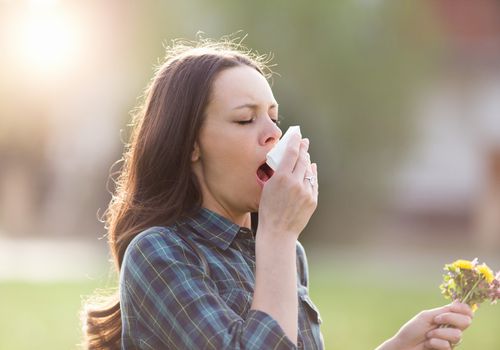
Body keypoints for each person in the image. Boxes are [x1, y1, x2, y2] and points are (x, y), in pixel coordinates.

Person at [83, 38, 473, 350]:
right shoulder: (159, 253)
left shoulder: (284, 253)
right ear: (191, 145)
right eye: (245, 118)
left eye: (274, 116)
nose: (273, 132)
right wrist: (279, 235)